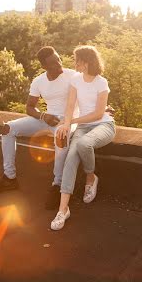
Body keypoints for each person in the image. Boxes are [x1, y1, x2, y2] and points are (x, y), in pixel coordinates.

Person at [0, 46, 78, 209]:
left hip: (67, 121)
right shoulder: (39, 81)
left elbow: (91, 95)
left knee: (61, 137)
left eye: (58, 59)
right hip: (47, 119)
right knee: (7, 129)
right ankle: (9, 178)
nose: (58, 63)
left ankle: (58, 186)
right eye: (53, 62)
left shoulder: (73, 76)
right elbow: (29, 107)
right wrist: (43, 116)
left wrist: (103, 109)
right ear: (44, 67)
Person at [50, 45, 116, 231]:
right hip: (82, 127)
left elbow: (98, 114)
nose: (74, 62)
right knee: (70, 159)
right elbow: (70, 105)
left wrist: (74, 121)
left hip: (103, 125)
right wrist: (66, 124)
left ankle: (90, 177)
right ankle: (63, 210)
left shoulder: (101, 82)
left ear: (85, 62)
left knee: (84, 144)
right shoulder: (76, 80)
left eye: (76, 59)